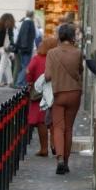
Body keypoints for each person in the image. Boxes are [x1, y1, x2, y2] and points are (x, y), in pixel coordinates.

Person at [45, 22, 84, 174]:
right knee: (68, 128)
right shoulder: (78, 53)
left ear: (60, 36)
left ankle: (60, 158)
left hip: (58, 93)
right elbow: (80, 71)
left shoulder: (52, 53)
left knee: (58, 127)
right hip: (74, 93)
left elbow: (47, 76)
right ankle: (66, 162)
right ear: (72, 36)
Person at [25, 43, 53, 157]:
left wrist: (30, 82)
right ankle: (55, 145)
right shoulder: (54, 59)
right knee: (54, 120)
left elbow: (29, 71)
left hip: (40, 93)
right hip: (54, 91)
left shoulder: (37, 59)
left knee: (41, 122)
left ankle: (44, 148)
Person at [14, 10, 36, 86]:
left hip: (23, 48)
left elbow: (21, 35)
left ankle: (22, 82)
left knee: (24, 65)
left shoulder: (24, 22)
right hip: (27, 48)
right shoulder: (29, 22)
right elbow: (27, 35)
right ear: (32, 15)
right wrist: (25, 46)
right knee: (25, 66)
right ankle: (20, 82)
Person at [0, 13, 15, 86]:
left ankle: (10, 81)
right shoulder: (8, 28)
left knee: (7, 64)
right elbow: (11, 39)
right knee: (2, 65)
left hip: (0, 48)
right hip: (5, 49)